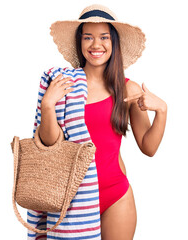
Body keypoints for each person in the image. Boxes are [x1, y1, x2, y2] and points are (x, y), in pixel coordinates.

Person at [32, 4, 167, 240]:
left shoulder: (127, 88)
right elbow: (50, 145)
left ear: (113, 42)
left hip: (116, 195)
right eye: (88, 37)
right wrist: (47, 106)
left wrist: (162, 110)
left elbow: (149, 147)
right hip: (72, 201)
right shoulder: (65, 85)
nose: (96, 45)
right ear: (80, 42)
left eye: (104, 37)